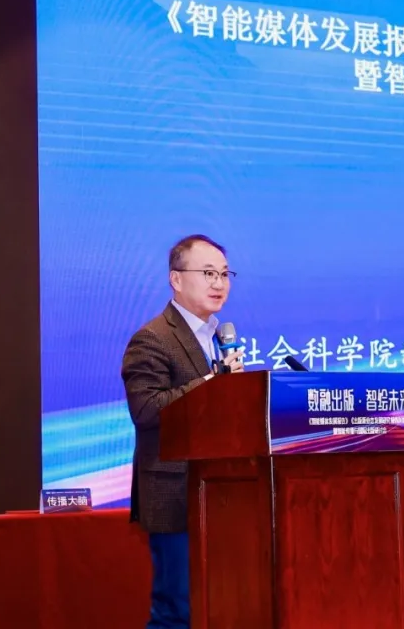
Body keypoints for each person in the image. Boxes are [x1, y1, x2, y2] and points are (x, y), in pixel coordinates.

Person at [121, 234, 245, 629]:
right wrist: (212, 381)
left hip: (219, 495)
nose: (219, 283)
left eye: (224, 274)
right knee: (177, 612)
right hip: (175, 496)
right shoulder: (152, 339)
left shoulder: (216, 338)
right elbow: (146, 409)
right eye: (208, 273)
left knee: (218, 607)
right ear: (176, 279)